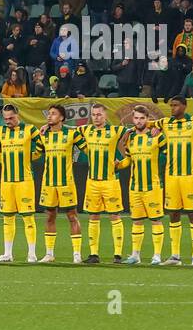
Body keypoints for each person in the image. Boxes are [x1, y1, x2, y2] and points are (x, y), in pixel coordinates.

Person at [153, 95, 193, 266]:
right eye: (171, 106)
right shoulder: (165, 123)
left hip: (190, 175)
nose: (173, 109)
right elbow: (148, 124)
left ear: (184, 106)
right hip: (171, 176)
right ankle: (175, 256)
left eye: (176, 105)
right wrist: (152, 127)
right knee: (173, 214)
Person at [0, 103, 43, 263]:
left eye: (11, 118)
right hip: (6, 181)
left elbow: (41, 147)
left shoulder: (30, 129)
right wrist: (3, 159)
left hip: (24, 181)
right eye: (5, 118)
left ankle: (32, 254)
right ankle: (7, 254)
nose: (8, 121)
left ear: (18, 115)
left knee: (28, 217)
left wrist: (29, 157)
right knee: (8, 217)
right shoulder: (0, 131)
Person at [78, 103, 128, 264]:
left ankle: (118, 255)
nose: (96, 117)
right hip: (92, 181)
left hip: (110, 182)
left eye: (99, 114)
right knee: (93, 216)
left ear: (106, 116)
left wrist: (125, 156)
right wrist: (45, 126)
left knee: (114, 216)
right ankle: (93, 254)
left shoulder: (115, 131)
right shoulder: (86, 130)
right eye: (94, 114)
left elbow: (133, 130)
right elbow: (67, 130)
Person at [37, 103, 84, 264]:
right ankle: (49, 254)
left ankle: (77, 254)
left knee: (72, 216)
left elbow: (88, 148)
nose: (49, 116)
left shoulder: (72, 134)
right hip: (48, 183)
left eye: (53, 114)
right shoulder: (44, 135)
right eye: (49, 114)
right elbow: (35, 154)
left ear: (62, 117)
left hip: (66, 183)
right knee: (50, 217)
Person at [122, 104, 168, 265]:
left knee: (156, 220)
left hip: (152, 186)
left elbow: (167, 156)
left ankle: (157, 255)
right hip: (134, 187)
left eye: (142, 118)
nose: (139, 121)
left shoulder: (157, 136)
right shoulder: (130, 137)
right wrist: (118, 164)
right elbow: (128, 159)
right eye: (136, 118)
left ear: (148, 119)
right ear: (132, 119)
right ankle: (135, 255)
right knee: (137, 221)